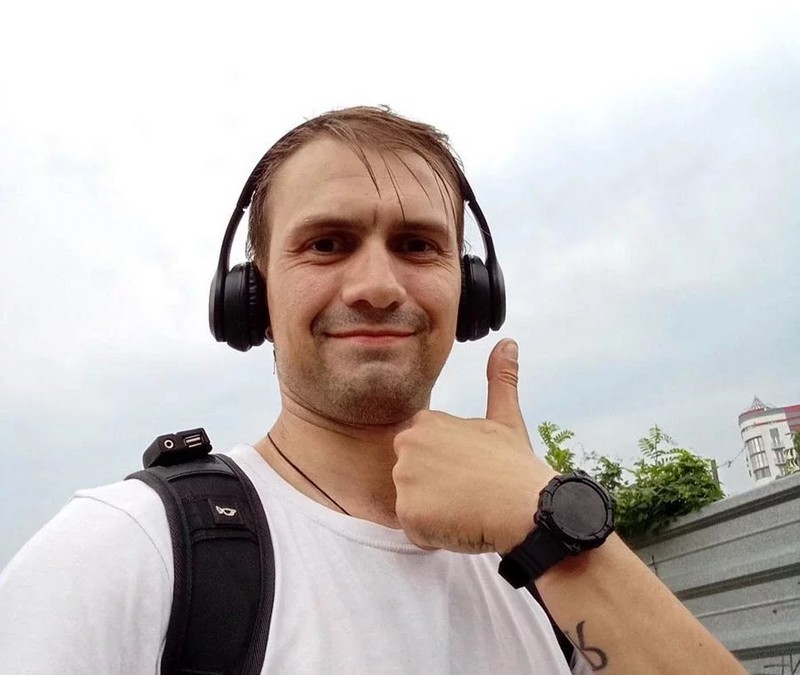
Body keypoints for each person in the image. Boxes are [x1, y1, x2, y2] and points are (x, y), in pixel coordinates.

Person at [0, 107, 743, 674]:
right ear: (253, 296)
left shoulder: (542, 561)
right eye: (327, 244)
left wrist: (549, 524)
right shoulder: (126, 550)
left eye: (418, 245)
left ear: (472, 290)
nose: (378, 286)